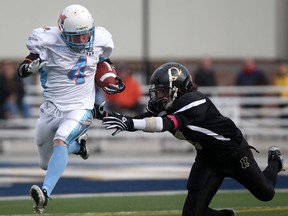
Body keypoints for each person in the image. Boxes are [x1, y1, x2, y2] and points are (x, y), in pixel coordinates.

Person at [99, 62, 284, 216]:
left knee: (266, 193)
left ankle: (275, 160)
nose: (158, 96)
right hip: (208, 158)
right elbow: (142, 119)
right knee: (192, 214)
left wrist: (129, 124)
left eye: (162, 91)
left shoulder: (195, 101)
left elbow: (167, 124)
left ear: (177, 89)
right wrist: (103, 115)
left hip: (233, 154)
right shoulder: (170, 103)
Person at [17, 4, 124, 214]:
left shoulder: (99, 39)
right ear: (62, 31)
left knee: (61, 139)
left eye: (86, 35)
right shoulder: (47, 40)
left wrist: (112, 79)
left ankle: (45, 194)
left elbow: (103, 61)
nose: (83, 41)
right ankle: (79, 147)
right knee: (45, 163)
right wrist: (28, 68)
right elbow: (24, 67)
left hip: (80, 107)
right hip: (51, 109)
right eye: (76, 37)